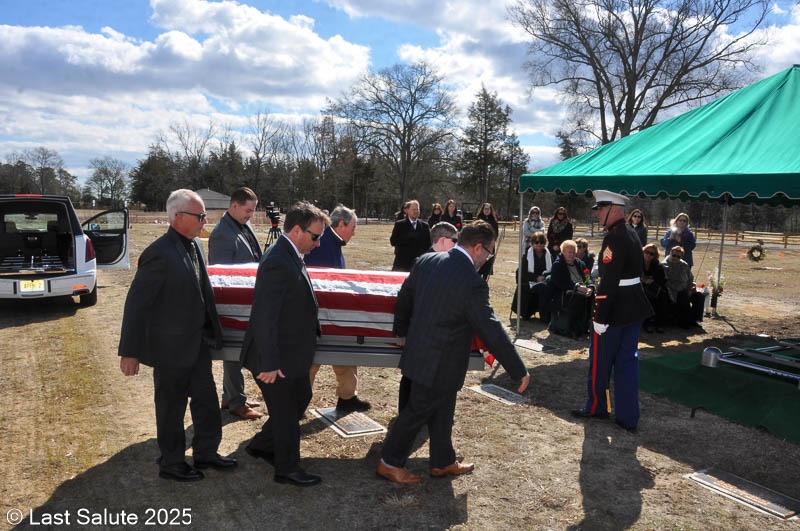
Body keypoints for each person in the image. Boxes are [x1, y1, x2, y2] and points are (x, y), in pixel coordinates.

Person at [377, 221, 530, 485]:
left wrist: (403, 333)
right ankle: (389, 463)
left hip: (424, 353)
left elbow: (405, 297)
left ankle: (442, 461)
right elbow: (490, 328)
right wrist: (517, 368)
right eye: (489, 252)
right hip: (440, 360)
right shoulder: (471, 282)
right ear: (478, 248)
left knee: (443, 409)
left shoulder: (427, 260)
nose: (488, 258)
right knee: (416, 412)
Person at [118, 189, 237, 482]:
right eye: (200, 216)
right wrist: (130, 352)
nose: (205, 221)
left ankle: (206, 453)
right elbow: (136, 305)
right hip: (169, 350)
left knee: (206, 402)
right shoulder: (158, 253)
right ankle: (171, 462)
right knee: (171, 408)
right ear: (178, 217)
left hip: (197, 345)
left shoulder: (194, 246)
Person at [241, 201, 330, 487]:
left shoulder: (290, 254)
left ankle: (261, 445)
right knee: (286, 413)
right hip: (274, 355)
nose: (318, 243)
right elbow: (264, 316)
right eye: (315, 236)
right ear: (296, 230)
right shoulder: (278, 260)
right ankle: (287, 468)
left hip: (290, 351)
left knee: (301, 396)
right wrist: (269, 363)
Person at [571, 190, 653, 433]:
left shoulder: (614, 238)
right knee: (627, 363)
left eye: (600, 209)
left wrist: (599, 316)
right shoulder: (632, 233)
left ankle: (597, 406)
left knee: (601, 362)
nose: (597, 214)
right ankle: (628, 417)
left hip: (615, 310)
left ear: (613, 209)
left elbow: (609, 281)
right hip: (633, 307)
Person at [304, 205, 371, 414]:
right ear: (341, 224)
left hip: (335, 312)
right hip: (322, 313)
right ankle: (298, 402)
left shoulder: (333, 242)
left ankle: (347, 397)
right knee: (312, 360)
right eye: (353, 227)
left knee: (345, 355)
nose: (354, 232)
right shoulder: (323, 244)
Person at [207, 186, 264, 420]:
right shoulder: (222, 233)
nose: (251, 215)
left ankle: (230, 396)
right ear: (234, 206)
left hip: (247, 299)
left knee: (237, 350)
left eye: (253, 210)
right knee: (234, 353)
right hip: (232, 302)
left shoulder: (241, 225)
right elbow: (222, 275)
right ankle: (236, 402)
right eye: (248, 210)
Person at [546, 240, 594, 339]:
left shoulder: (580, 263)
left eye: (573, 252)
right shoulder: (558, 265)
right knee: (578, 298)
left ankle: (587, 326)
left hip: (582, 289)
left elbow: (588, 277)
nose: (571, 254)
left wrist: (590, 287)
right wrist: (577, 287)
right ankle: (574, 330)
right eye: (569, 252)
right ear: (563, 252)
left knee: (593, 296)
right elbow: (562, 283)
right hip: (564, 293)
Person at [512, 231, 552, 322]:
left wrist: (544, 277)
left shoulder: (549, 255)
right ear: (532, 243)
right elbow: (522, 272)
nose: (539, 244)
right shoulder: (527, 255)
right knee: (542, 288)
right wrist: (536, 278)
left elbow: (551, 270)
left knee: (547, 287)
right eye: (536, 242)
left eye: (542, 242)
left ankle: (546, 316)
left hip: (544, 280)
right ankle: (534, 313)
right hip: (529, 281)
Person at [390, 200, 431, 272]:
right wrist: (407, 237)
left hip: (419, 264)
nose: (416, 211)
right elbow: (393, 241)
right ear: (407, 210)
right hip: (402, 264)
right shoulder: (400, 224)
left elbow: (428, 244)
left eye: (417, 209)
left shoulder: (425, 226)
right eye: (413, 209)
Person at [662, 245, 696, 328]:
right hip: (670, 290)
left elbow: (690, 278)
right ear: (670, 253)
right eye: (674, 255)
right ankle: (684, 322)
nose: (675, 258)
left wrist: (691, 286)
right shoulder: (664, 265)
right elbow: (665, 281)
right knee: (683, 296)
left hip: (684, 288)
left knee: (699, 297)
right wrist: (678, 288)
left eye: (678, 257)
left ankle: (694, 319)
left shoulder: (684, 265)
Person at [641, 243, 668, 333]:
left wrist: (653, 280)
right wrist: (643, 280)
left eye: (651, 254)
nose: (648, 255)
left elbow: (662, 278)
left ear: (655, 256)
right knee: (647, 296)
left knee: (663, 295)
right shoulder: (637, 262)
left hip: (653, 286)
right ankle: (647, 323)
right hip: (639, 286)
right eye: (647, 252)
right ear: (643, 252)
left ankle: (660, 323)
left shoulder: (657, 264)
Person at [476, 203, 499, 280]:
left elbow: (496, 233)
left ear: (491, 210)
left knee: (488, 262)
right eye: (485, 209)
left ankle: (485, 279)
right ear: (482, 210)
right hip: (480, 244)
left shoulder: (494, 221)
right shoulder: (478, 220)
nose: (486, 210)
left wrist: (492, 240)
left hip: (489, 245)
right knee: (479, 262)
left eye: (488, 209)